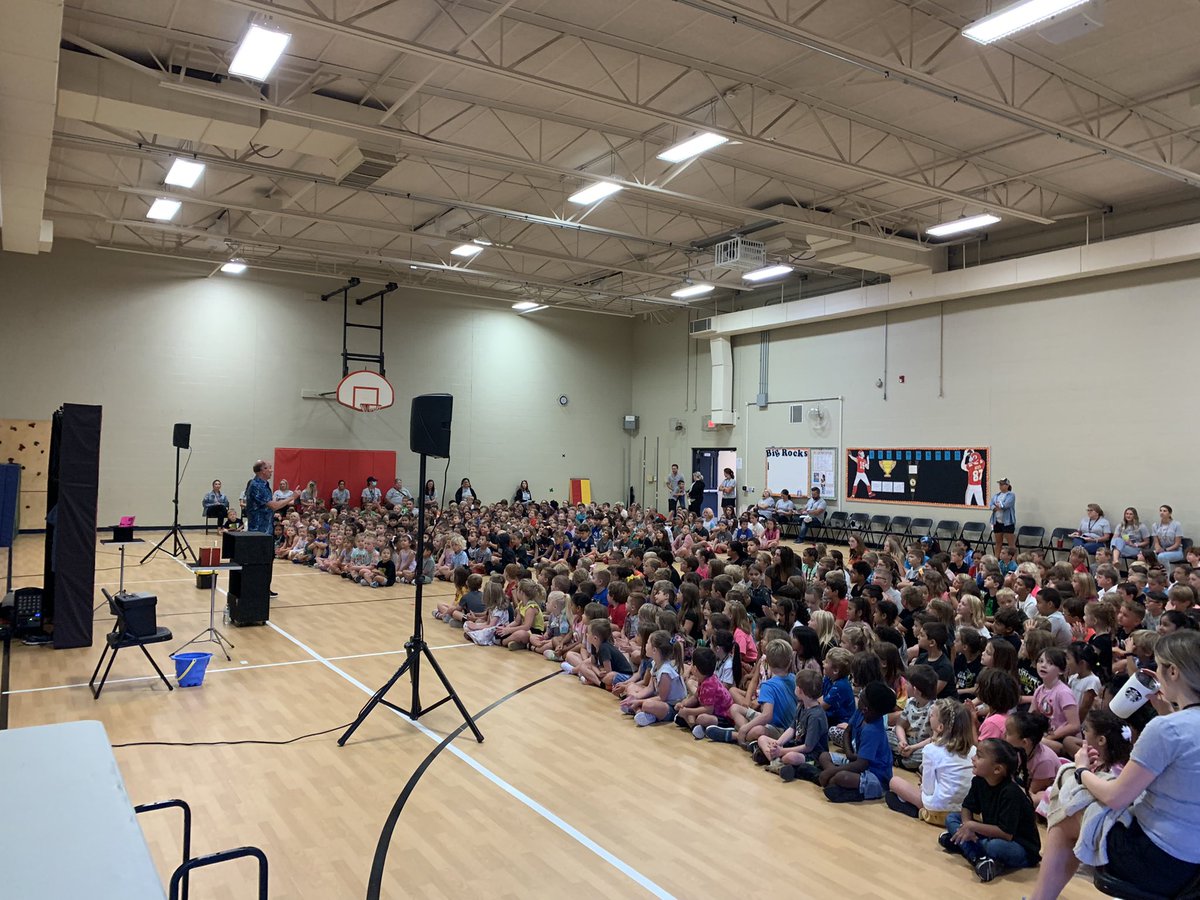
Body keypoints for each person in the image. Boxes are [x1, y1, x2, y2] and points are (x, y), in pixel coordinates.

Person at [1031, 630, 1200, 899]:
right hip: (1192, 859)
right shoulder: (1173, 724)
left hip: (1159, 857)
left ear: (1174, 672)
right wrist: (1166, 710)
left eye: (1158, 667)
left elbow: (1115, 797)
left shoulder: (1166, 729)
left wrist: (1082, 770)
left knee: (1066, 801)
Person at [941, 738, 1041, 883]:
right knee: (952, 818)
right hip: (991, 834)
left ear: (997, 769)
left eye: (979, 756)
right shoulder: (979, 780)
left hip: (1020, 847)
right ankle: (978, 857)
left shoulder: (1011, 793)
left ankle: (967, 848)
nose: (973, 758)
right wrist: (966, 825)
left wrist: (971, 826)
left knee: (995, 847)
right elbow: (967, 807)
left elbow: (1006, 834)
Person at [243, 460, 296, 598]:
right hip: (258, 531)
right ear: (261, 471)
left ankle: (264, 587)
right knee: (259, 561)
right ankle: (257, 589)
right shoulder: (256, 485)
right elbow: (273, 505)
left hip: (266, 529)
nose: (271, 470)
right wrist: (293, 497)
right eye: (268, 468)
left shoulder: (265, 485)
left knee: (268, 560)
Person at [989, 477, 1016, 557]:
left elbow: (1006, 505)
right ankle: (996, 559)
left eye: (1003, 484)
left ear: (1007, 485)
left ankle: (1013, 561)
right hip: (997, 521)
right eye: (1000, 484)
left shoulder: (1011, 495)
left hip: (1007, 522)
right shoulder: (996, 495)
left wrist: (999, 506)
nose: (1001, 486)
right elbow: (991, 504)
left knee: (1011, 544)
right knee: (998, 543)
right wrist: (995, 507)